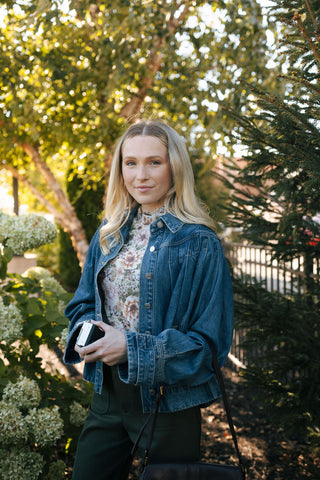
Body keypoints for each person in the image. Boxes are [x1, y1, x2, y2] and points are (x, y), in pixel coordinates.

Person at [63, 119, 234, 480]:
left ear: (175, 167)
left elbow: (209, 347)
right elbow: (81, 304)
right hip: (107, 397)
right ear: (120, 168)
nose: (141, 175)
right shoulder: (108, 233)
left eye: (154, 162)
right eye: (131, 163)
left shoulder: (199, 244)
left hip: (168, 405)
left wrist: (131, 348)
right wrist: (85, 332)